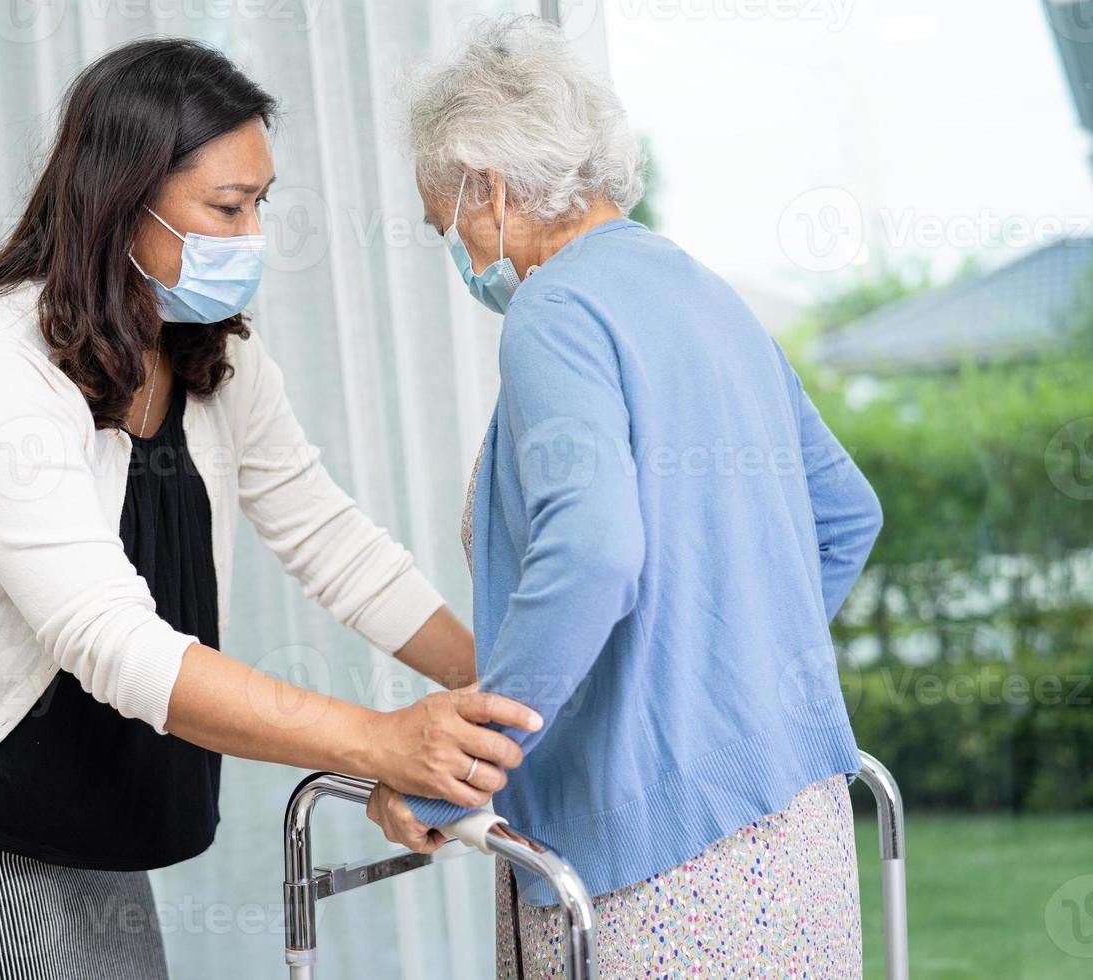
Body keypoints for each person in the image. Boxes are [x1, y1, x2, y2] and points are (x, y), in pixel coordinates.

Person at [0, 37, 539, 979]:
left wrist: (504, 692)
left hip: (90, 789)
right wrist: (382, 740)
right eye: (227, 207)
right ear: (121, 198)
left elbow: (329, 540)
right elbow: (112, 641)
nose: (252, 238)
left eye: (261, 204)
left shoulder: (208, 354)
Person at [365, 17, 883, 977]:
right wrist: (730, 678)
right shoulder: (704, 292)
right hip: (800, 825)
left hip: (659, 857)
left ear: (492, 187)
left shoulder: (555, 309)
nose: (456, 243)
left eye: (449, 218)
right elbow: (847, 514)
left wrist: (451, 783)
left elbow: (591, 554)